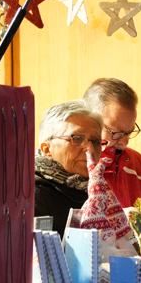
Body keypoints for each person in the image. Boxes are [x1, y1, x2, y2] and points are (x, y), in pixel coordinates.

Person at [83, 78, 141, 236]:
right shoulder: (74, 164)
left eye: (129, 132)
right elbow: (64, 227)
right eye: (116, 132)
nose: (124, 141)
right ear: (88, 122)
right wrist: (114, 220)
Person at [34, 100, 104, 235]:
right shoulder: (33, 195)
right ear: (47, 149)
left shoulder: (100, 193)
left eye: (96, 141)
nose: (90, 149)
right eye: (77, 138)